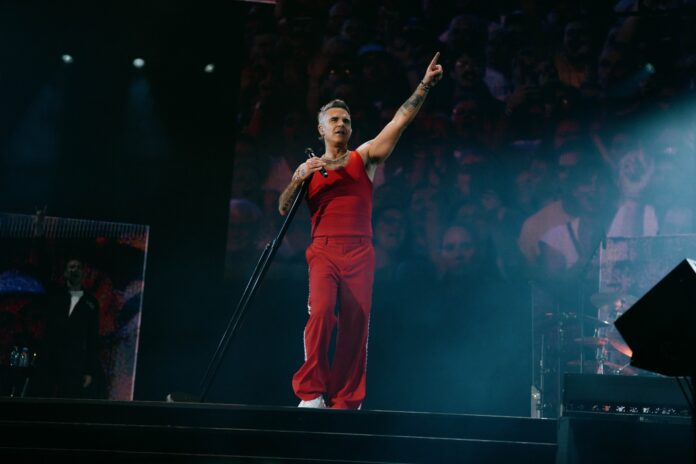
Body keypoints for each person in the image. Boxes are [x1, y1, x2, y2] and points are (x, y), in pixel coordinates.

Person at [278, 53, 443, 409]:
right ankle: (312, 393)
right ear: (321, 130)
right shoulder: (309, 168)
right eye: (334, 119)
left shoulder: (363, 157)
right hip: (323, 249)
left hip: (359, 250)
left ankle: (346, 401)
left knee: (356, 323)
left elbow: (399, 122)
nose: (341, 124)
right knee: (322, 312)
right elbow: (283, 207)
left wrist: (424, 85)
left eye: (346, 120)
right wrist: (298, 178)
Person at [29, 258, 104, 399]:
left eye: (78, 267)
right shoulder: (54, 296)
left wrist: (89, 371)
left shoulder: (90, 302)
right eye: (71, 267)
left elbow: (92, 338)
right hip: (49, 358)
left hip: (74, 361)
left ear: (83, 273)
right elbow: (43, 327)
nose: (75, 270)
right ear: (65, 272)